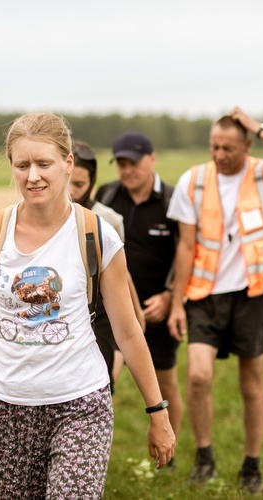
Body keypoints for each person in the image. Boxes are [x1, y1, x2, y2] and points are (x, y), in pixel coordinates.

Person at [0, 112, 175, 498]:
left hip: (80, 404)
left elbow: (128, 330)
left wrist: (158, 411)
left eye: (43, 163)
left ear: (68, 164)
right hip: (5, 409)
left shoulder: (96, 234)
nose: (32, 175)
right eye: (22, 165)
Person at [167, 107, 263, 493]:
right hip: (203, 293)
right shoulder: (193, 181)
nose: (219, 154)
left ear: (247, 145)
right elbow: (185, 245)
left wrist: (258, 125)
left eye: (228, 147)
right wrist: (177, 303)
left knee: (252, 384)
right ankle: (204, 456)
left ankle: (251, 465)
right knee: (197, 375)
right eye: (214, 146)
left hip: (252, 294)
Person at [94, 131, 183, 463]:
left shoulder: (173, 201)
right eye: (121, 163)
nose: (127, 170)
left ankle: (169, 451)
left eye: (134, 162)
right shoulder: (108, 195)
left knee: (164, 381)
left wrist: (171, 296)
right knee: (103, 379)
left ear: (152, 159)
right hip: (113, 306)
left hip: (156, 305)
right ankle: (93, 450)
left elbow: (187, 252)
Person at [68, 140, 145, 389]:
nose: (71, 192)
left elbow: (121, 273)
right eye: (67, 182)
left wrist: (137, 312)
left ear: (92, 182)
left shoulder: (108, 219)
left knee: (102, 384)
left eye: (79, 185)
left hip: (99, 311)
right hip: (64, 310)